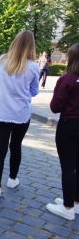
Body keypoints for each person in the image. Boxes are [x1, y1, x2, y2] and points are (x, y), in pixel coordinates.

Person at [0, 30, 40, 202]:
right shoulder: (33, 67)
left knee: (0, 149)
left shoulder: (1, 61)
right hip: (21, 114)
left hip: (1, 112)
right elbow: (34, 92)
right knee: (16, 146)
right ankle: (12, 179)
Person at [46, 43, 79, 221]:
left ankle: (67, 207)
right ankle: (75, 201)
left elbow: (55, 107)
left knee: (68, 167)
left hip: (69, 125)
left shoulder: (67, 80)